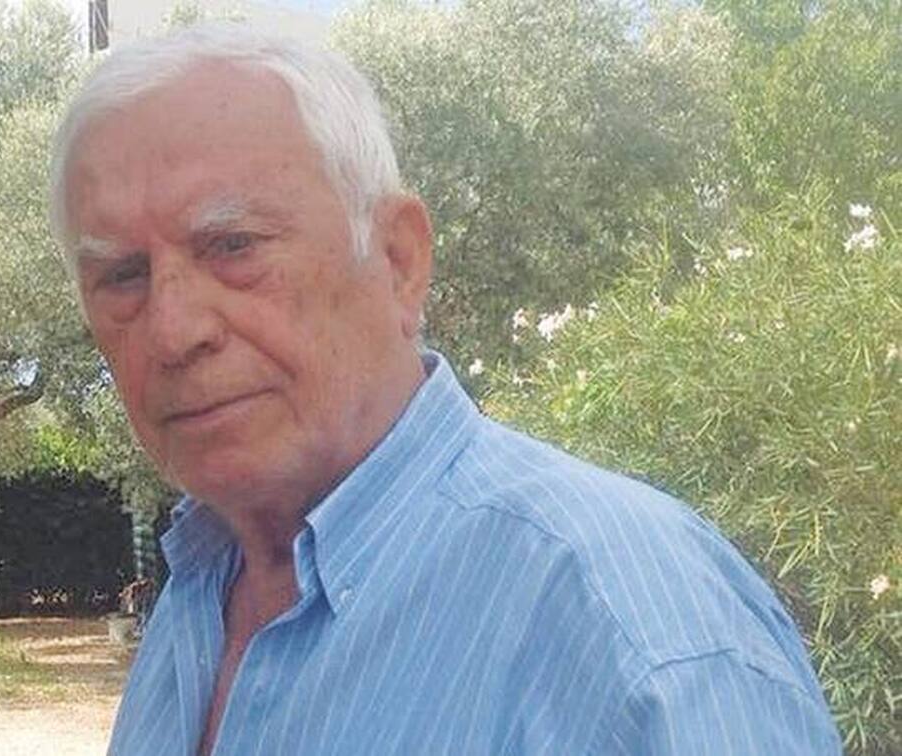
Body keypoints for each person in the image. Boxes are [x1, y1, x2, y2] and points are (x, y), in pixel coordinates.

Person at [48, 23, 841, 756]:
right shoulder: (201, 588)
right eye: (122, 276)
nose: (174, 331)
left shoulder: (630, 632)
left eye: (233, 246)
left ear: (398, 260)